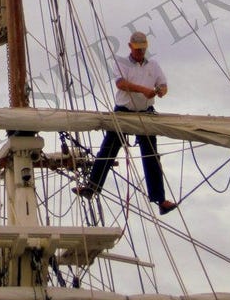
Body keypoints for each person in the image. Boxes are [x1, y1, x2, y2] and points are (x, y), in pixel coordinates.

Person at [74, 31, 178, 215]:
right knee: (109, 149)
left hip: (145, 113)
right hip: (124, 111)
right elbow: (121, 84)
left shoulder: (153, 65)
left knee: (151, 155)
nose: (140, 52)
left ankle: (160, 200)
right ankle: (92, 187)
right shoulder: (121, 62)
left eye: (143, 49)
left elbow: (163, 84)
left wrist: (161, 90)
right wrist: (143, 90)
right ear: (130, 47)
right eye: (137, 49)